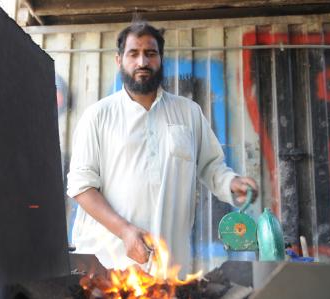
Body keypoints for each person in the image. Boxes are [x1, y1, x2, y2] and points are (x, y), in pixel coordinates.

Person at [67, 21, 258, 275]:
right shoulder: (98, 117)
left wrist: (231, 183)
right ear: (118, 60)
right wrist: (125, 231)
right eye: (133, 54)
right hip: (108, 267)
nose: (142, 62)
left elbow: (211, 166)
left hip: (168, 266)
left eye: (151, 53)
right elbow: (82, 187)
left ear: (161, 59)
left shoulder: (188, 113)